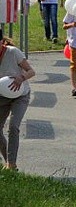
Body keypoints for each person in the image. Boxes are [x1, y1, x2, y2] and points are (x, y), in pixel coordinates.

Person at [0, 38, 35, 170]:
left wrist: (21, 78)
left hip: (20, 96)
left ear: (1, 42)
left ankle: (11, 164)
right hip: (2, 96)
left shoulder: (13, 52)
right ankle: (9, 162)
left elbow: (31, 71)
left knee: (13, 126)